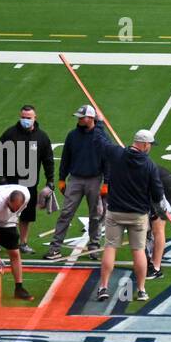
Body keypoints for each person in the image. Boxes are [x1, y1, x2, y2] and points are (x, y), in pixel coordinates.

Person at [96, 129, 168, 303]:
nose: (150, 147)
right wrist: (160, 210)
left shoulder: (117, 154)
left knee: (110, 247)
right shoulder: (150, 165)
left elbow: (102, 142)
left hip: (115, 212)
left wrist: (98, 122)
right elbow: (158, 193)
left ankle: (103, 287)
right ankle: (142, 289)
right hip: (138, 215)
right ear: (143, 144)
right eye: (149, 144)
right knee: (138, 251)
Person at [45, 104, 113, 260]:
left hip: (95, 180)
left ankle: (94, 246)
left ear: (91, 118)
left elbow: (107, 161)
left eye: (82, 117)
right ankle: (55, 247)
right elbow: (66, 158)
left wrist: (106, 183)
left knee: (95, 215)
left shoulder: (100, 137)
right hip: (75, 179)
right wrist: (62, 178)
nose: (80, 120)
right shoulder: (72, 136)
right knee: (66, 213)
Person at [0, 104, 55, 255]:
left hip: (30, 183)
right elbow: (0, 155)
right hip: (10, 183)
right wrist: (2, 176)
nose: (25, 120)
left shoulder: (42, 137)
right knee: (3, 213)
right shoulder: (10, 134)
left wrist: (50, 180)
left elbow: (48, 160)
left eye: (28, 118)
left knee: (26, 215)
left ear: (35, 118)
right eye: (23, 117)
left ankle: (23, 243)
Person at [146, 167, 171, 280]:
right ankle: (153, 260)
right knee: (156, 228)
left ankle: (155, 268)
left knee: (157, 228)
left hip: (163, 187)